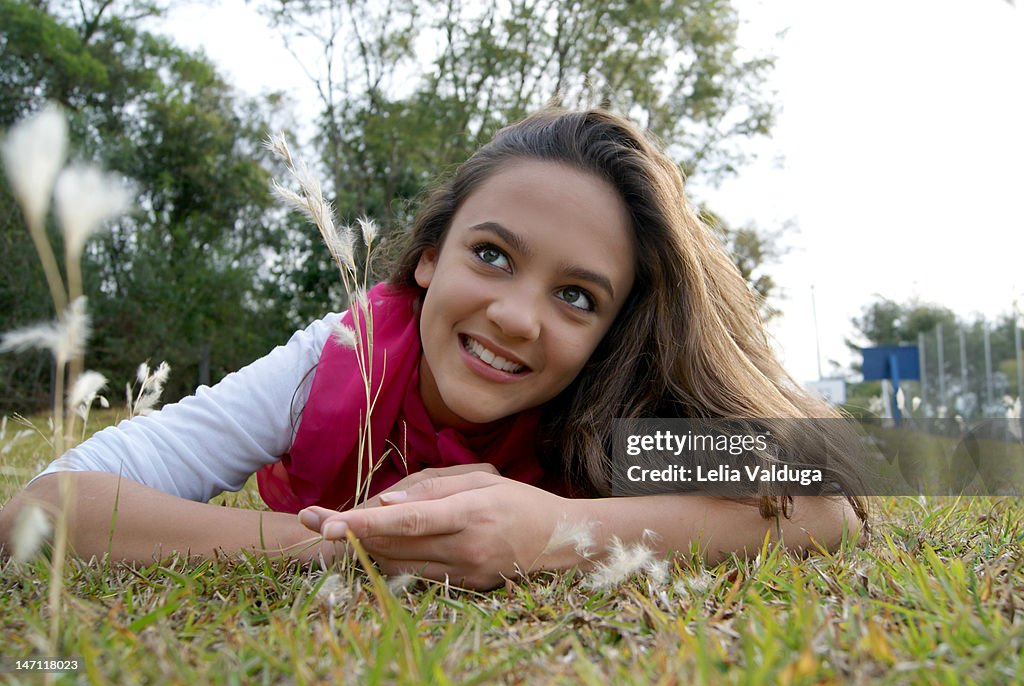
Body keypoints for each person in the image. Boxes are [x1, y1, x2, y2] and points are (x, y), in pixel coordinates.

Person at [0, 108, 866, 590]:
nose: (518, 316)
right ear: (428, 258)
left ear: (613, 328)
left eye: (576, 296)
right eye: (491, 255)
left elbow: (828, 504)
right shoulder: (334, 359)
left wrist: (550, 531)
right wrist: (349, 546)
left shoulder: (614, 395)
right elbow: (42, 509)